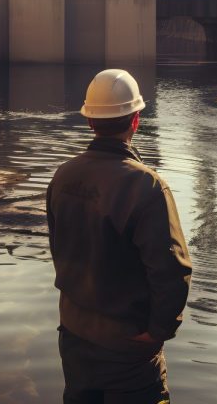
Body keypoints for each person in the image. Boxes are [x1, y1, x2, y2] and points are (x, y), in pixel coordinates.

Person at [46, 69, 192, 403]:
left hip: (74, 335)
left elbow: (59, 248)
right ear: (136, 120)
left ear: (89, 122)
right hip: (128, 347)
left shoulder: (63, 176)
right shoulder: (147, 186)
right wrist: (158, 331)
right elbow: (172, 271)